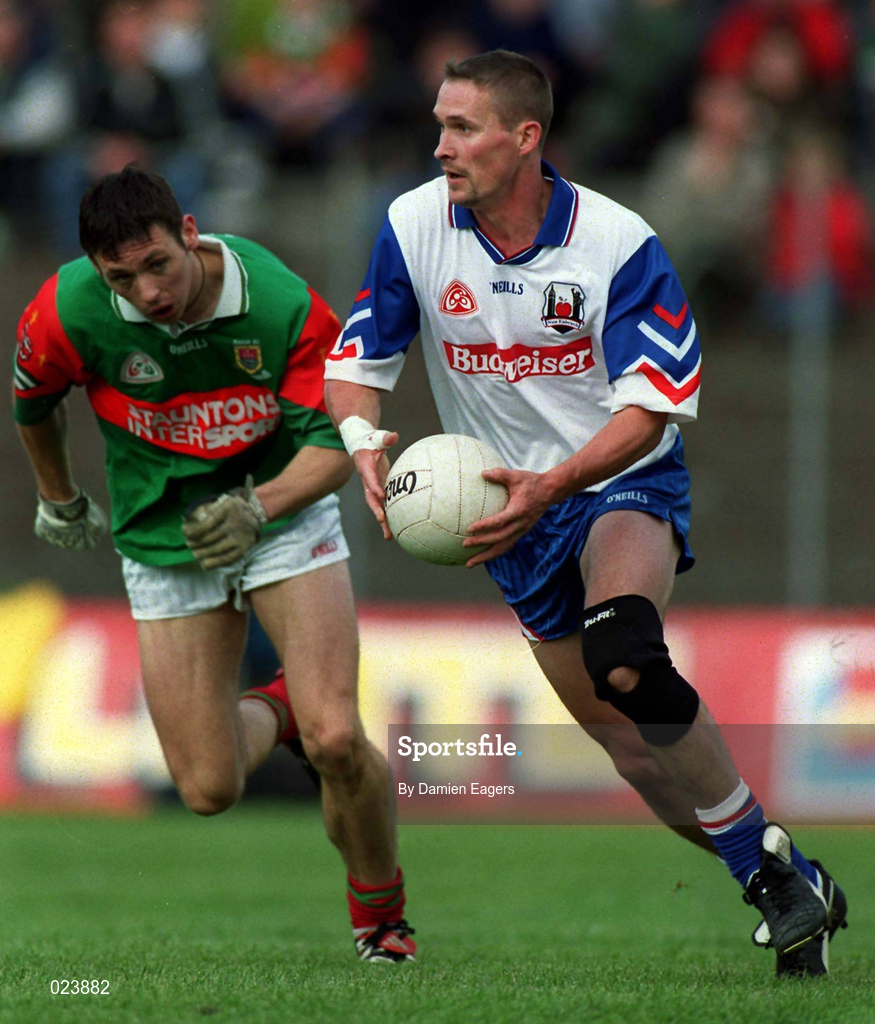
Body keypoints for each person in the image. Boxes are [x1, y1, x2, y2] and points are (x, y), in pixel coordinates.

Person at [323, 49, 846, 977]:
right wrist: (366, 448)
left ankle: (777, 885)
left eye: (462, 128)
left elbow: (653, 406)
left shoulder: (616, 242)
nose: (440, 146)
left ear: (525, 138)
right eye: (438, 125)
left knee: (624, 654)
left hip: (615, 478)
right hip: (510, 520)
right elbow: (356, 367)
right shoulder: (411, 225)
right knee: (633, 757)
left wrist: (554, 484)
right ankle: (781, 874)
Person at [12, 165, 415, 964]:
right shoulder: (65, 309)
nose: (147, 291)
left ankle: (380, 921)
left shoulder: (281, 303)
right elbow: (32, 400)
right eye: (121, 277)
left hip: (278, 510)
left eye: (157, 264)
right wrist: (58, 496)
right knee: (206, 789)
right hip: (164, 536)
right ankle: (285, 707)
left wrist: (257, 506)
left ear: (189, 233)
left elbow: (339, 442)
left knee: (338, 740)